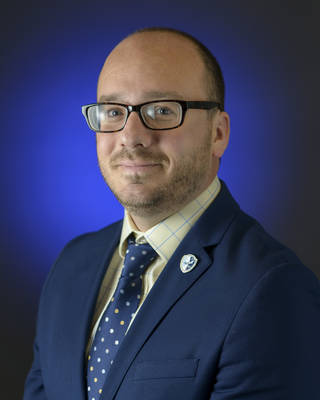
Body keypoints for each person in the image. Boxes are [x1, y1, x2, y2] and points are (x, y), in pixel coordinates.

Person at [23, 27, 320, 400]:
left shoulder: (273, 288)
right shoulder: (71, 266)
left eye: (161, 110)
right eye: (113, 111)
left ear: (218, 133)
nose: (131, 136)